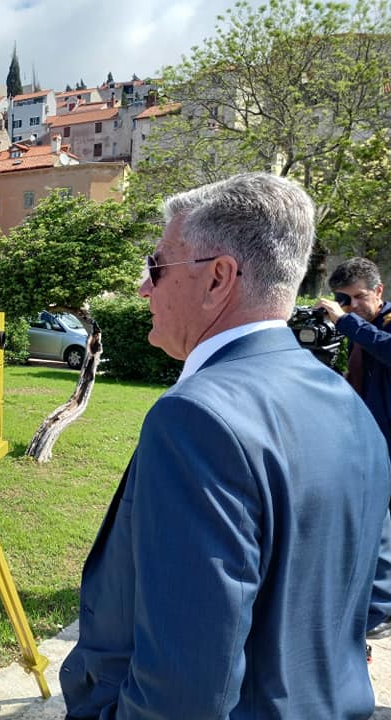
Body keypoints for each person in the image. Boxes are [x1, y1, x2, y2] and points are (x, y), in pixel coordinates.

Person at [60, 172, 390, 720]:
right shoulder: (348, 402)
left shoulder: (197, 418)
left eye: (157, 266)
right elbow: (375, 592)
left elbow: (183, 693)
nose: (144, 287)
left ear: (218, 279)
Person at [316, 257, 391, 638]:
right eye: (342, 300)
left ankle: (382, 610)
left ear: (378, 291)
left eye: (357, 297)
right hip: (366, 433)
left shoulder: (379, 325)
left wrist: (346, 322)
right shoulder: (361, 328)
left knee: (383, 522)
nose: (350, 306)